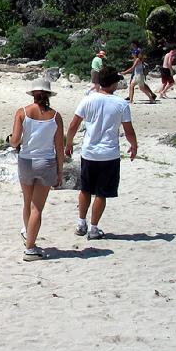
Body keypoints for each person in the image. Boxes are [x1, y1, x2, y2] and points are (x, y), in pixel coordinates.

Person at [65, 66, 137, 240]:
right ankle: (94, 228)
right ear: (113, 83)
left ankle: (81, 223)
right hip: (109, 154)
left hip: (89, 152)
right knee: (101, 193)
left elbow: (73, 125)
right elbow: (128, 130)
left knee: (85, 189)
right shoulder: (121, 104)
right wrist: (134, 145)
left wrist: (68, 143)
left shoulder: (88, 99)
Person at [9, 79, 64, 261]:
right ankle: (30, 247)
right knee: (37, 208)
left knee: (27, 202)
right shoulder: (56, 117)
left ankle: (28, 235)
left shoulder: (22, 112)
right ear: (48, 95)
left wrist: (10, 140)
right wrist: (60, 171)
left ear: (33, 94)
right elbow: (59, 148)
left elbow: (15, 141)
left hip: (26, 161)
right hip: (46, 162)